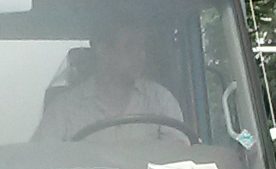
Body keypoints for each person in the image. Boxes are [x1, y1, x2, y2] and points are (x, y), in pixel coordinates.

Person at [33, 20, 184, 143]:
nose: (140, 54)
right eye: (130, 46)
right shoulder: (64, 109)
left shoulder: (161, 101)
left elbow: (179, 161)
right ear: (103, 51)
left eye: (141, 46)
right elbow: (41, 161)